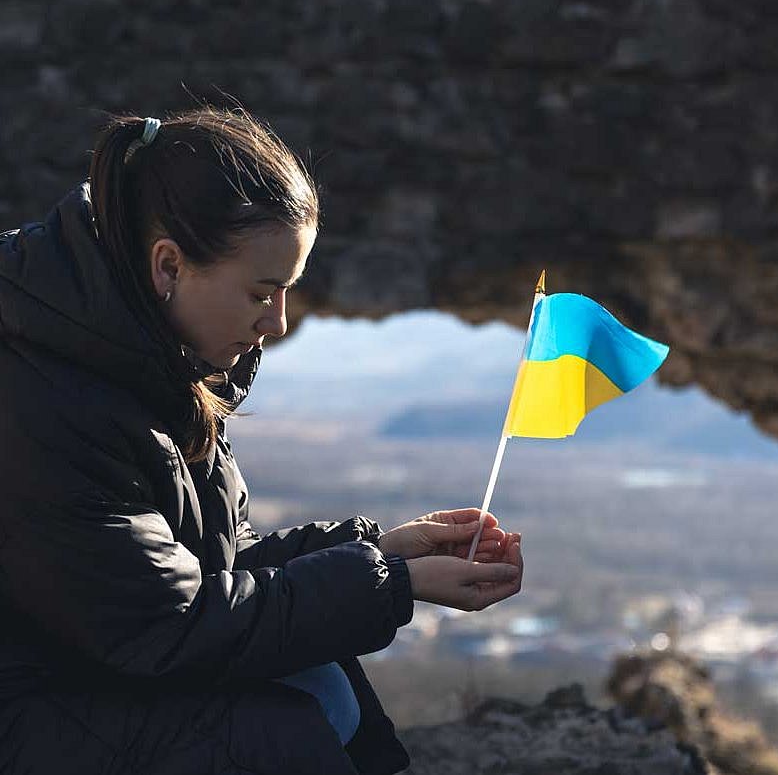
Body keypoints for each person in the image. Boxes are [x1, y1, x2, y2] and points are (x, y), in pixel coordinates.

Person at [0, 106, 523, 775]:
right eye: (259, 293)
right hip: (27, 706)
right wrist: (390, 585)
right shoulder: (45, 396)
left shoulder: (147, 359)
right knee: (277, 738)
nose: (276, 323)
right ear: (168, 267)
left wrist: (381, 550)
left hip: (85, 667)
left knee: (319, 679)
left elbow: (204, 563)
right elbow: (160, 625)